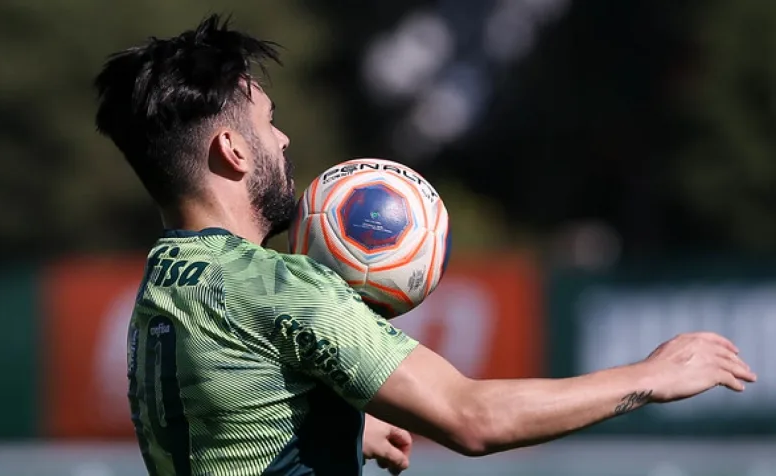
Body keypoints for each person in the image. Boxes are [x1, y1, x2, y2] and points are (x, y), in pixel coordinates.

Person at [93, 13, 757, 476]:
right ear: (232, 149)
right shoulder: (279, 287)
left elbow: (222, 427)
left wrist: (337, 429)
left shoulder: (163, 286)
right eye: (269, 125)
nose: (285, 141)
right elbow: (472, 418)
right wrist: (649, 377)